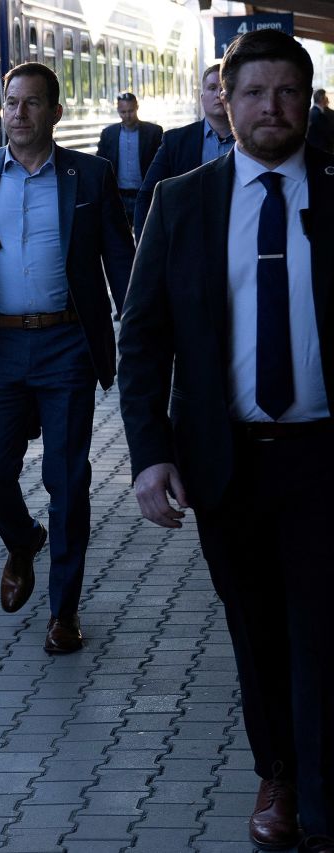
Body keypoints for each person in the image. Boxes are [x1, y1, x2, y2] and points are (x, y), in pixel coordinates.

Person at [118, 29, 334, 852]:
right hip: (228, 459)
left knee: (320, 626)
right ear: (225, 102)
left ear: (307, 102)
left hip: (324, 457)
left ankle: (316, 798)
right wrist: (149, 455)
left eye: (285, 92)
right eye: (253, 93)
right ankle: (277, 769)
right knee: (257, 628)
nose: (269, 108)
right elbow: (143, 340)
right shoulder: (182, 201)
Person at [0, 63, 133, 655]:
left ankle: (63, 612)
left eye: (32, 104)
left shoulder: (89, 175)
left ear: (55, 112)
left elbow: (121, 261)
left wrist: (141, 334)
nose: (19, 113)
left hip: (67, 344)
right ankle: (22, 540)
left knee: (67, 481)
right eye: (11, 103)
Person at [133, 64, 234, 242]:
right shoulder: (176, 141)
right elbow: (147, 196)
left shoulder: (253, 140)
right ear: (202, 98)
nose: (219, 94)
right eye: (212, 88)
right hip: (189, 243)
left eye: (224, 88)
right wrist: (147, 249)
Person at [96, 92, 163, 225]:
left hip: (144, 195)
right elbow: (100, 163)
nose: (127, 116)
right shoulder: (108, 134)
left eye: (130, 111)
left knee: (144, 237)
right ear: (118, 110)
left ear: (137, 107)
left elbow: (162, 163)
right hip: (118, 196)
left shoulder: (154, 132)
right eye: (123, 112)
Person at [307, 88, 334, 153]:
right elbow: (327, 131)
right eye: (325, 96)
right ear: (321, 98)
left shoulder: (312, 112)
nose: (327, 98)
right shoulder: (318, 114)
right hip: (321, 149)